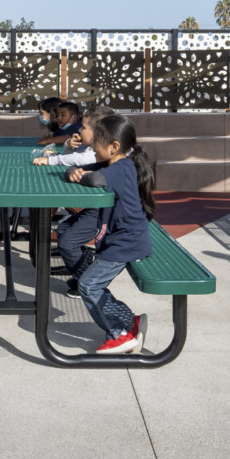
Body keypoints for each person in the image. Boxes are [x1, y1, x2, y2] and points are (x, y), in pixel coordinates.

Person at [68, 113, 155, 354]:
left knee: (88, 285)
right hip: (120, 240)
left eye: (96, 140)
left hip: (125, 242)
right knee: (94, 284)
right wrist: (73, 173)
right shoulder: (110, 163)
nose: (91, 145)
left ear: (114, 146)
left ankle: (120, 334)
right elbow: (81, 170)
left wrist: (81, 176)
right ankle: (129, 321)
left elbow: (94, 179)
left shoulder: (123, 168)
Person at [35, 108, 107, 298]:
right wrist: (68, 147)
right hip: (96, 207)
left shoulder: (104, 155)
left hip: (105, 212)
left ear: (99, 132)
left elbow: (83, 163)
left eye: (84, 127)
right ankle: (84, 269)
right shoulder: (96, 150)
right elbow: (74, 165)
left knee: (67, 242)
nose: (79, 130)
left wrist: (53, 161)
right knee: (62, 230)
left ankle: (89, 282)